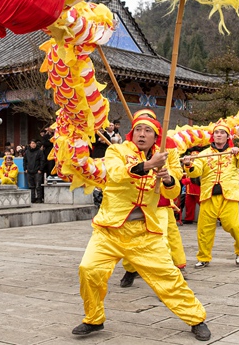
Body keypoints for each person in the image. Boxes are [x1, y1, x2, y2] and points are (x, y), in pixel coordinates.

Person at [74, 112, 210, 341]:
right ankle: (94, 319)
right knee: (89, 270)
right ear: (131, 132)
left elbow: (174, 192)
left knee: (169, 276)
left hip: (145, 232)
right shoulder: (116, 151)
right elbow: (116, 175)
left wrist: (166, 178)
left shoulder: (162, 157)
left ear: (155, 136)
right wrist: (147, 165)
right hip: (109, 230)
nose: (142, 134)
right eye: (138, 129)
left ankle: (196, 319)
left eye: (148, 131)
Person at [182, 121, 239, 267]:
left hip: (229, 195)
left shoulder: (234, 152)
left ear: (227, 136)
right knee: (204, 228)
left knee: (231, 224)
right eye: (216, 133)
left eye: (222, 133)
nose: (219, 135)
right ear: (213, 136)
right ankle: (203, 257)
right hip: (208, 195)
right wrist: (189, 165)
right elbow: (197, 171)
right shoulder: (204, 154)